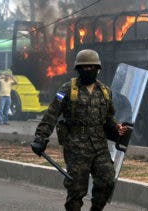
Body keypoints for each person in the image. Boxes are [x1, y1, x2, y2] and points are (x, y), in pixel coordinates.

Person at [31, 49, 127, 211]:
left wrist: (117, 126)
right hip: (76, 148)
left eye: (92, 67)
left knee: (107, 181)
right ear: (78, 69)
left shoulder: (105, 91)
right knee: (76, 190)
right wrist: (40, 138)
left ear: (98, 69)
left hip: (99, 147)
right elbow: (52, 113)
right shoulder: (66, 90)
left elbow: (109, 117)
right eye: (85, 67)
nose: (88, 70)